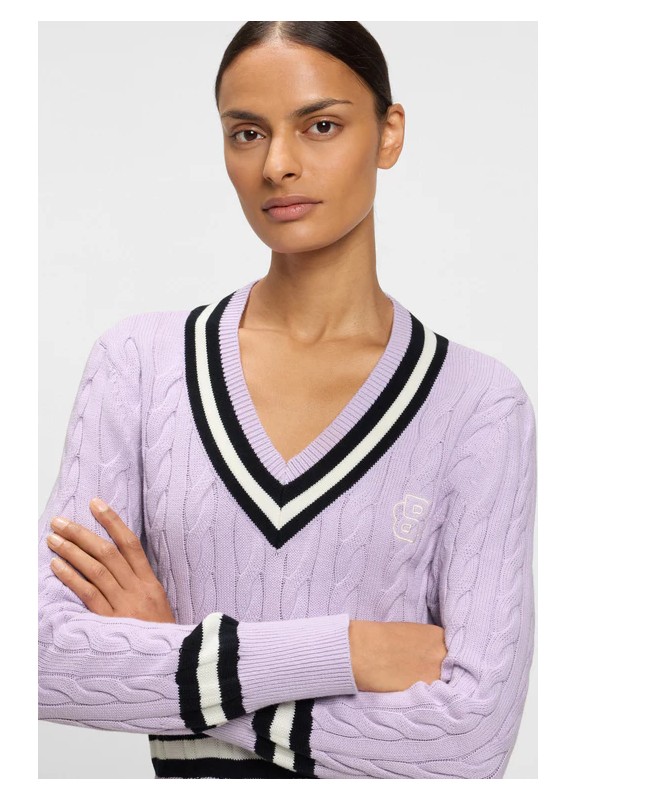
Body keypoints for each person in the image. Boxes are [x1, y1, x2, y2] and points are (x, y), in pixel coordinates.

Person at [38, 21, 537, 779]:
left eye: (321, 126)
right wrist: (346, 651)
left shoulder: (477, 406)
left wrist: (176, 655)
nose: (277, 165)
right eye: (247, 134)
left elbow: (472, 743)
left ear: (389, 133)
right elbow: (41, 659)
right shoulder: (140, 367)